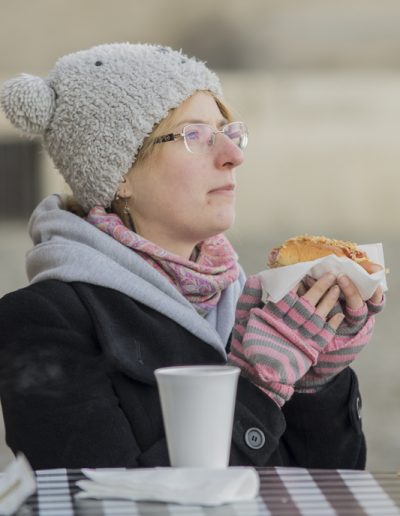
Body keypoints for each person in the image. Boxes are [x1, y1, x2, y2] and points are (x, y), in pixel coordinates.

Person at [0, 43, 384, 470]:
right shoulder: (43, 321)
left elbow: (327, 487)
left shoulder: (249, 303)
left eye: (228, 132)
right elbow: (96, 501)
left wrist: (316, 381)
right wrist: (257, 387)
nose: (234, 156)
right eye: (195, 135)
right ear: (121, 172)